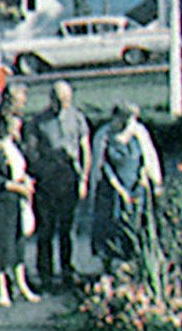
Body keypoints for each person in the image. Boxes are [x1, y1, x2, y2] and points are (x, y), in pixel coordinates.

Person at [23, 79, 91, 289]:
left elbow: (84, 149)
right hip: (47, 180)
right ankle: (45, 272)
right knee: (46, 228)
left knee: (67, 228)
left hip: (69, 177)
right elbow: (31, 152)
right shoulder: (38, 122)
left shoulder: (77, 118)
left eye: (66, 100)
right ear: (50, 99)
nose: (62, 104)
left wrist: (84, 179)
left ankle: (68, 270)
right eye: (58, 100)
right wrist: (41, 172)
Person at [0, 102, 40, 307]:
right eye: (14, 127)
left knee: (18, 242)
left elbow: (20, 168)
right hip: (0, 202)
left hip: (17, 201)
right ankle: (2, 289)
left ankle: (22, 285)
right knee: (2, 246)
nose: (17, 132)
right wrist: (16, 186)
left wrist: (26, 181)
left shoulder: (14, 145)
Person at [88, 101, 162, 267]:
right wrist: (118, 188)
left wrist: (147, 178)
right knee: (112, 224)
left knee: (135, 224)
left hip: (135, 187)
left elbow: (148, 157)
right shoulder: (104, 135)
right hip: (111, 190)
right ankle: (109, 265)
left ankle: (133, 263)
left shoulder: (138, 133)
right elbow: (101, 166)